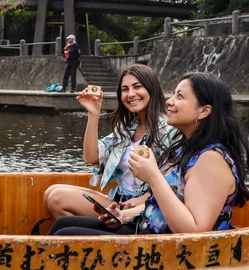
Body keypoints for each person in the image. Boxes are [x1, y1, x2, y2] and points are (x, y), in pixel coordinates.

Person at [50, 72, 249, 236]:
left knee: (64, 234)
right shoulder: (184, 147)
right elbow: (92, 158)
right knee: (64, 226)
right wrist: (125, 215)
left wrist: (153, 176)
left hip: (164, 250)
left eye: (180, 97)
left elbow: (195, 232)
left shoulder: (211, 159)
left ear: (204, 111)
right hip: (144, 225)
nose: (169, 102)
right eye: (125, 89)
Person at [43, 64, 176, 221]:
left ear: (151, 89)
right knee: (52, 191)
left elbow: (176, 178)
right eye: (125, 90)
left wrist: (144, 198)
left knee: (57, 198)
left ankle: (110, 238)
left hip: (145, 207)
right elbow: (91, 158)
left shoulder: (169, 129)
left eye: (137, 87)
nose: (131, 94)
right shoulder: (127, 127)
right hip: (118, 200)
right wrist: (93, 114)